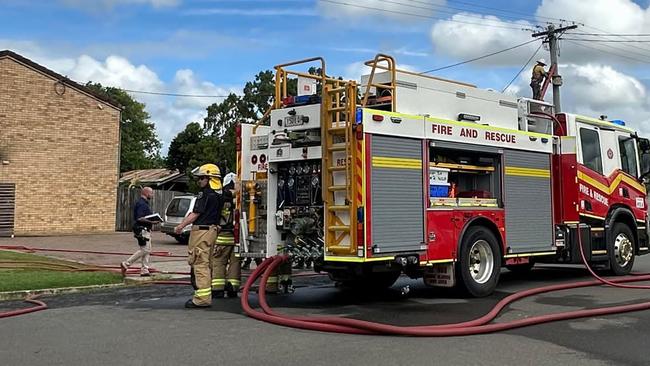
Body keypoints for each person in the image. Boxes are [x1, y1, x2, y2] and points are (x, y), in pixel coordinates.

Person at [174, 164, 223, 308]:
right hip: (212, 231)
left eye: (201, 178)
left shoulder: (205, 194)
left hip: (202, 232)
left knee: (200, 263)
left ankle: (202, 298)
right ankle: (205, 294)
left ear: (209, 178)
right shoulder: (220, 195)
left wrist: (181, 226)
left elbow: (196, 213)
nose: (199, 181)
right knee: (207, 263)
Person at [211, 172, 241, 298]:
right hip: (237, 238)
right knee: (235, 264)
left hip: (222, 237)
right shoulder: (240, 197)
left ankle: (218, 289)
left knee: (219, 263)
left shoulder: (220, 197)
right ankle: (232, 288)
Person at [121, 187, 156, 277]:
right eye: (151, 193)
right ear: (146, 193)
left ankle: (145, 269)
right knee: (145, 249)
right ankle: (126, 263)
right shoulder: (142, 204)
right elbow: (140, 218)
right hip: (142, 229)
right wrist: (152, 221)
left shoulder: (143, 203)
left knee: (147, 249)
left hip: (144, 229)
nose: (152, 195)